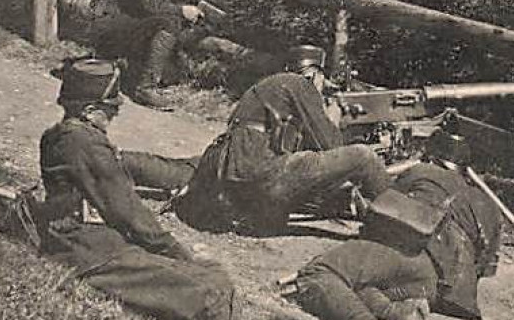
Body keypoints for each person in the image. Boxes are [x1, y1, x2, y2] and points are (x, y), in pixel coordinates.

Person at [29, 57, 252, 320]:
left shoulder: (58, 136)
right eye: (111, 108)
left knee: (213, 274)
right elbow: (128, 213)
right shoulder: (86, 143)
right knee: (213, 288)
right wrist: (175, 250)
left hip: (85, 243)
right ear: (90, 111)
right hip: (92, 253)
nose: (117, 111)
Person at [289, 129, 503, 320]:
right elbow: (485, 267)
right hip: (445, 290)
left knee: (319, 273)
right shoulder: (488, 205)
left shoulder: (422, 171)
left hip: (412, 253)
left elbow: (383, 212)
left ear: (431, 156)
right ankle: (403, 313)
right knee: (357, 287)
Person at [168, 44, 393, 235]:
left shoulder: (265, 89)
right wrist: (333, 116)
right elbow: (331, 145)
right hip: (263, 178)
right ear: (315, 74)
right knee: (363, 156)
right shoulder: (299, 83)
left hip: (238, 184)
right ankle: (403, 220)